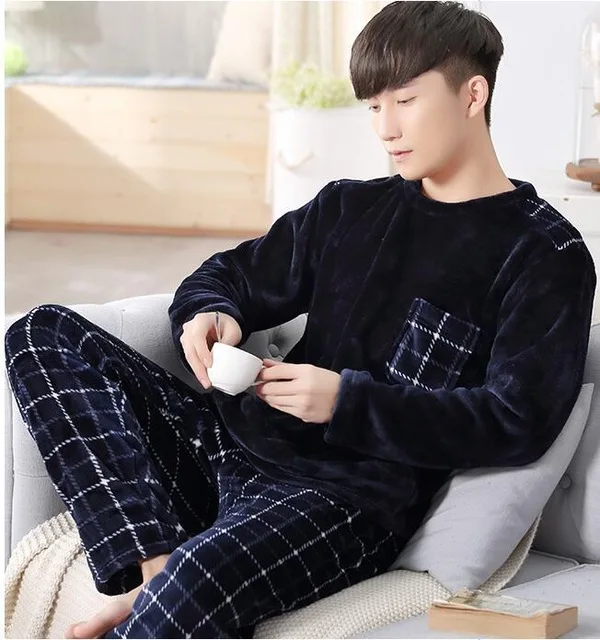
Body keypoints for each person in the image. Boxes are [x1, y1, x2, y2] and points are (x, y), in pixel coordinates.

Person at [5, 1, 596, 638]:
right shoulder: (349, 209)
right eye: (373, 106)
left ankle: (174, 583)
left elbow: (515, 421)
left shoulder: (545, 254)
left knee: (202, 577)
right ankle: (152, 566)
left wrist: (346, 403)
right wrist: (211, 313)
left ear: (472, 94)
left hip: (345, 501)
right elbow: (227, 274)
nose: (386, 128)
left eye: (405, 101)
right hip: (227, 443)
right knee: (40, 333)